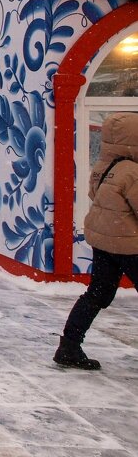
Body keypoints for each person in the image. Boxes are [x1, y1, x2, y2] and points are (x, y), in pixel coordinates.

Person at [54, 111, 138, 369]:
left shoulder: (105, 166)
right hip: (128, 244)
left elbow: (94, 194)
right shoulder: (132, 172)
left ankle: (69, 345)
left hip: (103, 242)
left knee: (97, 293)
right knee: (99, 293)